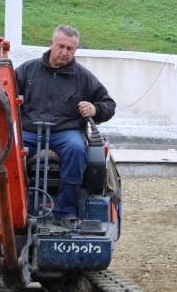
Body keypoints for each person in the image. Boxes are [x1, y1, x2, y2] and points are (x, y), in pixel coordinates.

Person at [15, 25, 115, 225]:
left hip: (65, 132)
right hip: (29, 131)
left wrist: (94, 109)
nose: (64, 52)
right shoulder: (28, 70)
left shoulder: (83, 77)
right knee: (8, 152)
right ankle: (15, 208)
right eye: (61, 46)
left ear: (75, 50)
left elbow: (108, 104)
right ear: (50, 44)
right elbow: (4, 95)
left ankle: (65, 211)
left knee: (77, 149)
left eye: (70, 49)